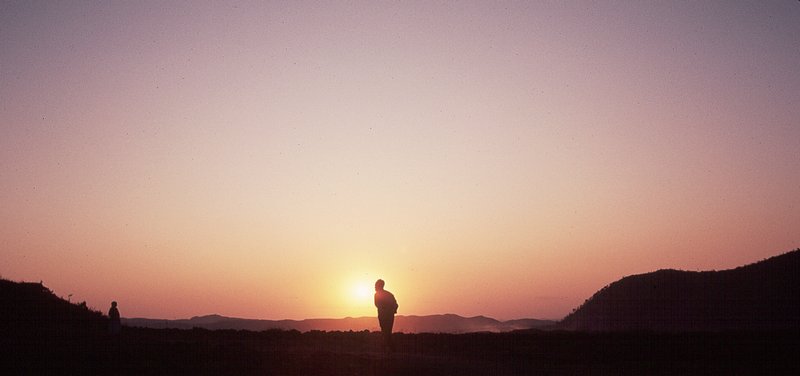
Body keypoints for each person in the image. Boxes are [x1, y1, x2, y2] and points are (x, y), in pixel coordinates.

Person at [374, 279, 398, 352]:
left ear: (379, 286)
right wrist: (392, 311)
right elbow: (396, 305)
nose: (374, 287)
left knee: (385, 332)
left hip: (383, 316)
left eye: (375, 285)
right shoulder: (390, 294)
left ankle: (388, 348)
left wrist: (385, 310)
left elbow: (377, 304)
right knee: (387, 331)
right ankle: (388, 348)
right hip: (389, 316)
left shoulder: (377, 295)